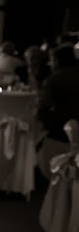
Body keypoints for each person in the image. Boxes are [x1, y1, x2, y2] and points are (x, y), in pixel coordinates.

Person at [37, 45, 79, 178]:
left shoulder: (53, 79)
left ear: (57, 60)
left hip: (59, 133)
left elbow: (43, 108)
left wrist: (47, 124)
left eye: (52, 60)